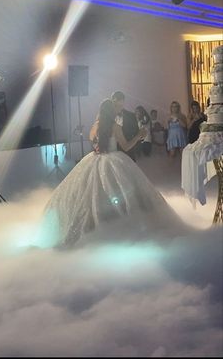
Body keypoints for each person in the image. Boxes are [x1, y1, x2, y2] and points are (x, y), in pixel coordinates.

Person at [38, 99, 188, 249]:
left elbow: (94, 144)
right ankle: (117, 224)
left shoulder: (94, 127)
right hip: (114, 159)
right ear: (111, 112)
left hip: (93, 160)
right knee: (121, 192)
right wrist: (139, 136)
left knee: (90, 195)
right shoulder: (115, 126)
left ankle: (95, 226)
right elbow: (126, 145)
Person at [111, 91, 139, 161]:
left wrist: (141, 135)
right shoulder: (107, 117)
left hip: (128, 153)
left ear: (123, 101)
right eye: (115, 102)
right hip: (111, 155)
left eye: (120, 101)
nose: (117, 104)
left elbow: (137, 133)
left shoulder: (131, 116)